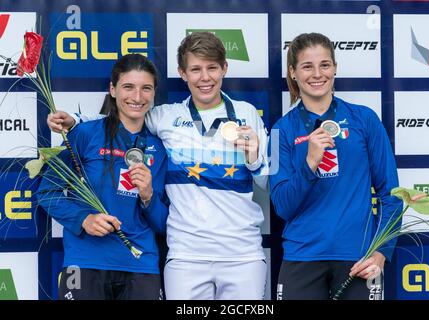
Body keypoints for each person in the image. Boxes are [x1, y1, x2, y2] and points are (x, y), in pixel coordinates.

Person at [47, 32, 269, 300]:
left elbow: (266, 181)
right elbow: (126, 113)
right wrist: (76, 119)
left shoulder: (248, 114)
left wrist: (255, 157)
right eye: (196, 69)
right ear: (182, 73)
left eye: (212, 68)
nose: (205, 77)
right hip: (184, 256)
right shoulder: (166, 118)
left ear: (224, 68)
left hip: (240, 254)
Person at [269, 33, 402, 300]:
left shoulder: (365, 119)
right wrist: (309, 163)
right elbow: (282, 206)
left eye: (325, 65)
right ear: (293, 72)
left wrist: (381, 252)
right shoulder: (279, 131)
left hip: (358, 259)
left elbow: (392, 194)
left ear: (335, 68)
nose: (317, 74)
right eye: (307, 66)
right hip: (302, 257)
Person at [38, 54, 169, 300]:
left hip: (140, 265)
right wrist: (84, 219)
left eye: (146, 88)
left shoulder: (159, 148)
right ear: (112, 89)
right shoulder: (85, 134)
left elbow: (164, 224)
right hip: (86, 261)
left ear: (154, 93)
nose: (137, 97)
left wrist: (149, 197)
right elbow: (47, 192)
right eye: (128, 87)